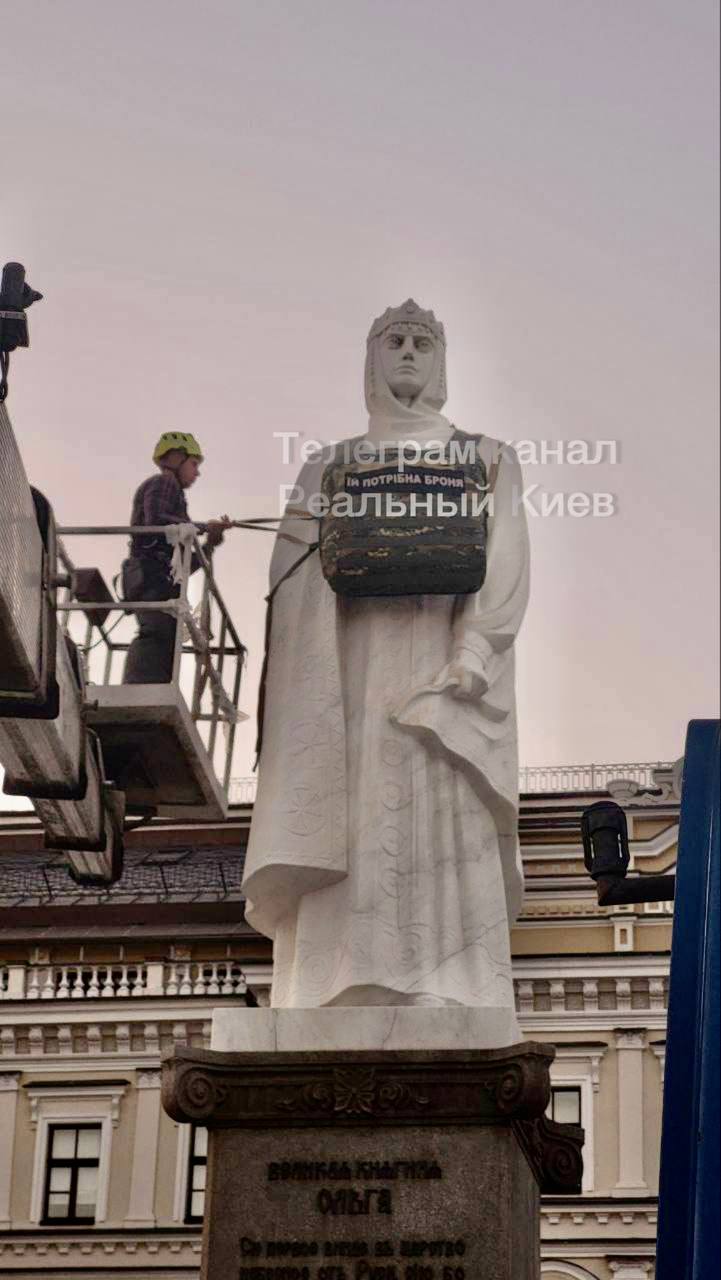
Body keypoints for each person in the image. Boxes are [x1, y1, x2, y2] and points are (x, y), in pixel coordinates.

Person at [242, 300, 530, 1024]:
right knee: (358, 807)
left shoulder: (487, 456)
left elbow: (507, 562)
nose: (407, 352)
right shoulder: (329, 463)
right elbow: (290, 570)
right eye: (394, 342)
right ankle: (338, 980)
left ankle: (449, 983)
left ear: (441, 361)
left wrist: (474, 650)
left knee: (441, 806)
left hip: (441, 663)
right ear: (371, 359)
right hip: (350, 671)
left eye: (421, 342)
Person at [122, 432, 230, 684]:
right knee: (157, 635)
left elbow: (180, 565)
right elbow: (157, 519)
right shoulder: (164, 483)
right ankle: (141, 692)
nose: (197, 472)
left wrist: (209, 544)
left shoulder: (174, 496)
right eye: (194, 464)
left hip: (159, 580)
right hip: (151, 578)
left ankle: (149, 690)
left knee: (165, 639)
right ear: (175, 458)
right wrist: (202, 527)